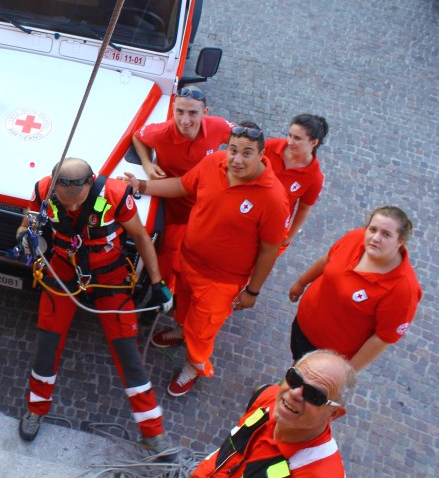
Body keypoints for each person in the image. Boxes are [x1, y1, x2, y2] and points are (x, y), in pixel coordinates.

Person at [16, 158, 175, 455]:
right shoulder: (43, 191)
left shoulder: (116, 195)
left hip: (110, 278)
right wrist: (25, 238)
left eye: (78, 203)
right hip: (62, 273)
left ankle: (152, 432)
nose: (73, 209)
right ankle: (36, 408)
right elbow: (28, 224)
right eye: (67, 204)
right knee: (47, 343)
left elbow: (141, 237)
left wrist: (157, 283)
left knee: (128, 352)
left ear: (90, 183)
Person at [125, 122, 289, 396]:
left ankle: (195, 365)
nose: (236, 159)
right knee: (184, 306)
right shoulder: (214, 162)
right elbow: (182, 185)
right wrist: (141, 185)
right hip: (188, 260)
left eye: (247, 153)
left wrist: (252, 291)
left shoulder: (273, 198)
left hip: (221, 281)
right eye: (233, 150)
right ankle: (180, 331)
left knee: (203, 331)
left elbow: (269, 250)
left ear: (262, 155)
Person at [187, 350, 355, 478]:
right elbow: (236, 445)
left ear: (334, 413)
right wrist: (204, 470)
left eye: (314, 395)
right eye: (295, 378)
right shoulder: (267, 397)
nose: (295, 393)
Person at [288, 206, 422, 371]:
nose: (375, 238)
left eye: (386, 234)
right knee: (296, 367)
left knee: (306, 386)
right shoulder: (355, 238)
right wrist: (302, 282)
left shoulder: (403, 289)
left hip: (330, 354)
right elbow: (327, 259)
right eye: (372, 229)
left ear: (400, 241)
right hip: (303, 327)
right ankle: (282, 388)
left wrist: (346, 373)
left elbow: (382, 338)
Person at [131, 85, 233, 291]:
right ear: (173, 110)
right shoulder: (160, 132)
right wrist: (146, 162)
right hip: (173, 205)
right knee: (169, 250)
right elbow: (137, 136)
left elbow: (238, 138)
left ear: (205, 113)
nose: (185, 120)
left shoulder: (219, 126)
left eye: (193, 113)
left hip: (205, 203)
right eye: (179, 112)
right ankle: (166, 290)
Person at [263, 114, 329, 254]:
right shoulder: (270, 146)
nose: (290, 142)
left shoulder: (314, 177)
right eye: (290, 135)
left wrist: (289, 236)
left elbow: (304, 208)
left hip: (274, 226)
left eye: (297, 138)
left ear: (314, 143)